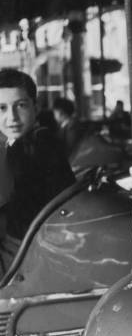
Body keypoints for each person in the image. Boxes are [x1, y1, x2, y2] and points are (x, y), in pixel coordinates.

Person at [0, 69, 75, 270]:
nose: (12, 117)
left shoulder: (37, 145)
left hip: (27, 250)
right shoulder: (24, 143)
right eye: (2, 108)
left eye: (21, 105)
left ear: (36, 106)